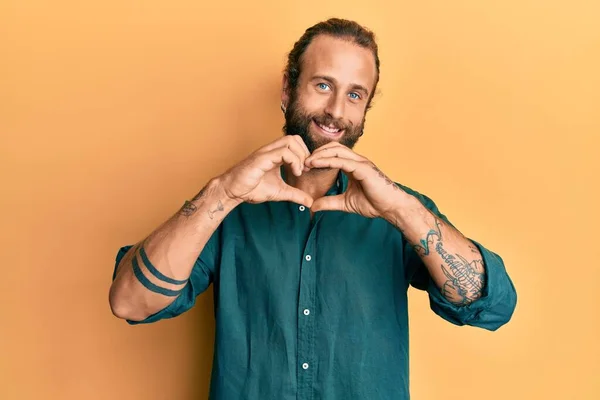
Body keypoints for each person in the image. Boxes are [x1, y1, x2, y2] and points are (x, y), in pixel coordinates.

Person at [109, 18, 517, 400]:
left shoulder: (399, 212)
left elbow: (492, 306)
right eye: (323, 85)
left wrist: (401, 210)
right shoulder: (227, 208)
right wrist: (222, 193)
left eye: (355, 95)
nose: (337, 111)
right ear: (288, 89)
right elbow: (130, 301)